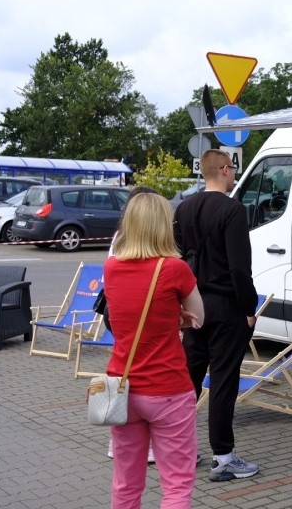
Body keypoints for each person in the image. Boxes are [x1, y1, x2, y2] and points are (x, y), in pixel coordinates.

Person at [104, 192, 205, 509]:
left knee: (125, 483)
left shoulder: (111, 267)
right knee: (176, 485)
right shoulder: (175, 269)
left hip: (123, 386)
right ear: (164, 224)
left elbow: (130, 313)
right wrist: (179, 317)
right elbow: (199, 317)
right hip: (168, 389)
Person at [173, 149, 260, 482]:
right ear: (224, 170)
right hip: (225, 307)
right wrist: (249, 308)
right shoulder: (233, 210)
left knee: (187, 382)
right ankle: (223, 456)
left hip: (194, 304)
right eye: (233, 169)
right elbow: (240, 268)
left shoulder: (184, 208)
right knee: (223, 381)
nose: (235, 174)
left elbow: (182, 258)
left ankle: (179, 449)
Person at [105, 185, 158, 464]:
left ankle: (118, 439)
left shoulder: (119, 238)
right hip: (141, 313)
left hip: (120, 314)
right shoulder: (148, 241)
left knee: (125, 368)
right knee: (141, 373)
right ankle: (146, 445)